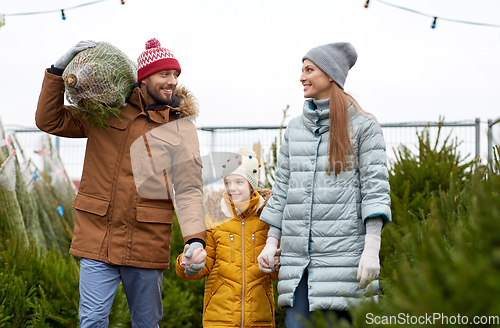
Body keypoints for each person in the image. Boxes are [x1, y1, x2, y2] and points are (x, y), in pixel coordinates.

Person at [35, 38, 207, 327]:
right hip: (97, 237)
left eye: (176, 75)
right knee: (91, 322)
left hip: (146, 242)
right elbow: (48, 119)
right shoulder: (105, 111)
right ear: (144, 78)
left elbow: (189, 188)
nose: (172, 81)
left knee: (146, 323)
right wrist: (57, 71)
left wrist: (195, 239)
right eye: (165, 74)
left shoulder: (181, 128)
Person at [257, 42, 391, 327]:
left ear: (330, 75)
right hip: (297, 266)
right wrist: (271, 243)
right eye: (302, 70)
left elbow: (375, 191)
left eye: (309, 70)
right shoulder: (295, 128)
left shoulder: (365, 126)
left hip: (344, 264)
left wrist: (371, 250)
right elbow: (282, 190)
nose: (302, 77)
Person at [175, 148, 280, 328]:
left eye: (239, 182)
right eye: (227, 182)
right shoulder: (214, 220)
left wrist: (278, 264)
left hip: (259, 318)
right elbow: (202, 265)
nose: (232, 188)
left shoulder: (268, 221)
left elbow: (277, 273)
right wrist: (187, 262)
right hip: (219, 319)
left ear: (252, 185)